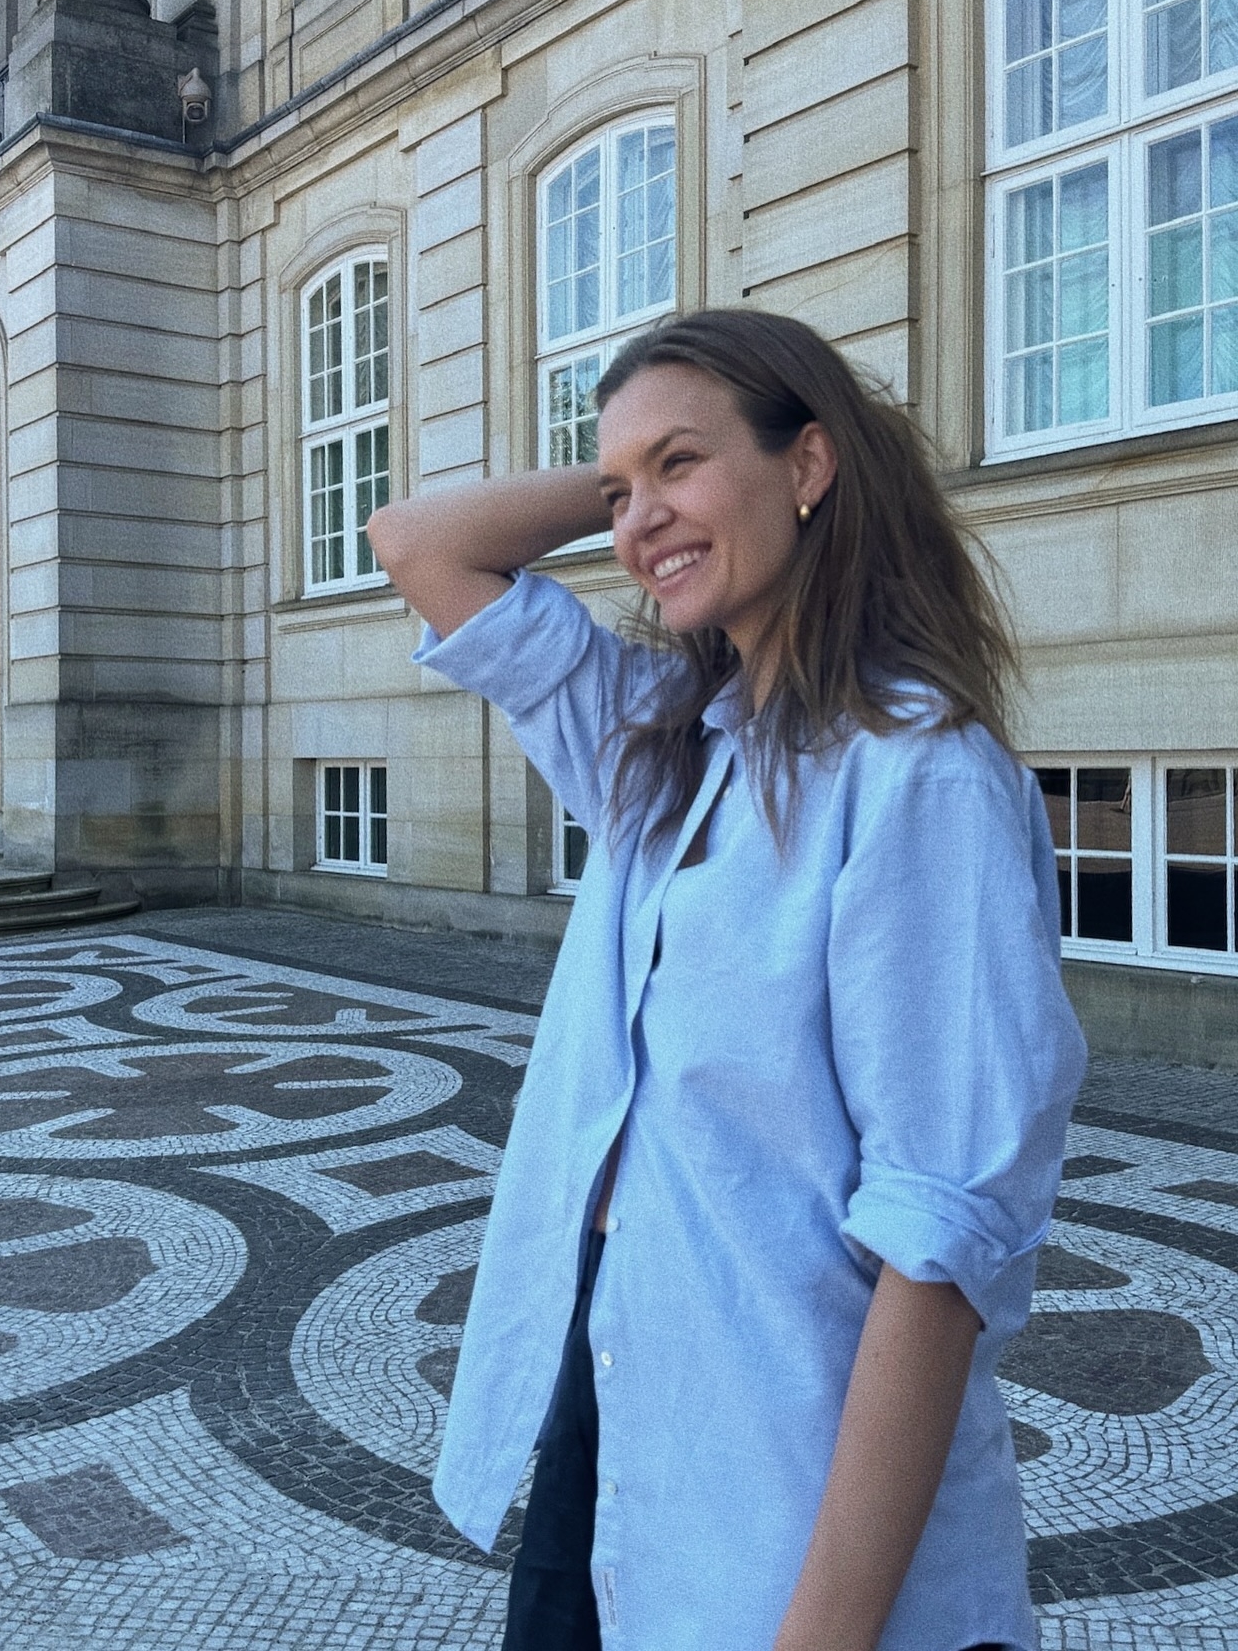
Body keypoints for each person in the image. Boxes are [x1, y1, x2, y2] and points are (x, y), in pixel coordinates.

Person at [365, 309, 1087, 1651]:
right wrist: (653, 486)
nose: (637, 522)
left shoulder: (917, 778)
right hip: (624, 1436)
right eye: (617, 490)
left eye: (682, 463)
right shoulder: (663, 746)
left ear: (810, 465)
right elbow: (419, 543)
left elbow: (940, 1249)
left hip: (796, 1497)